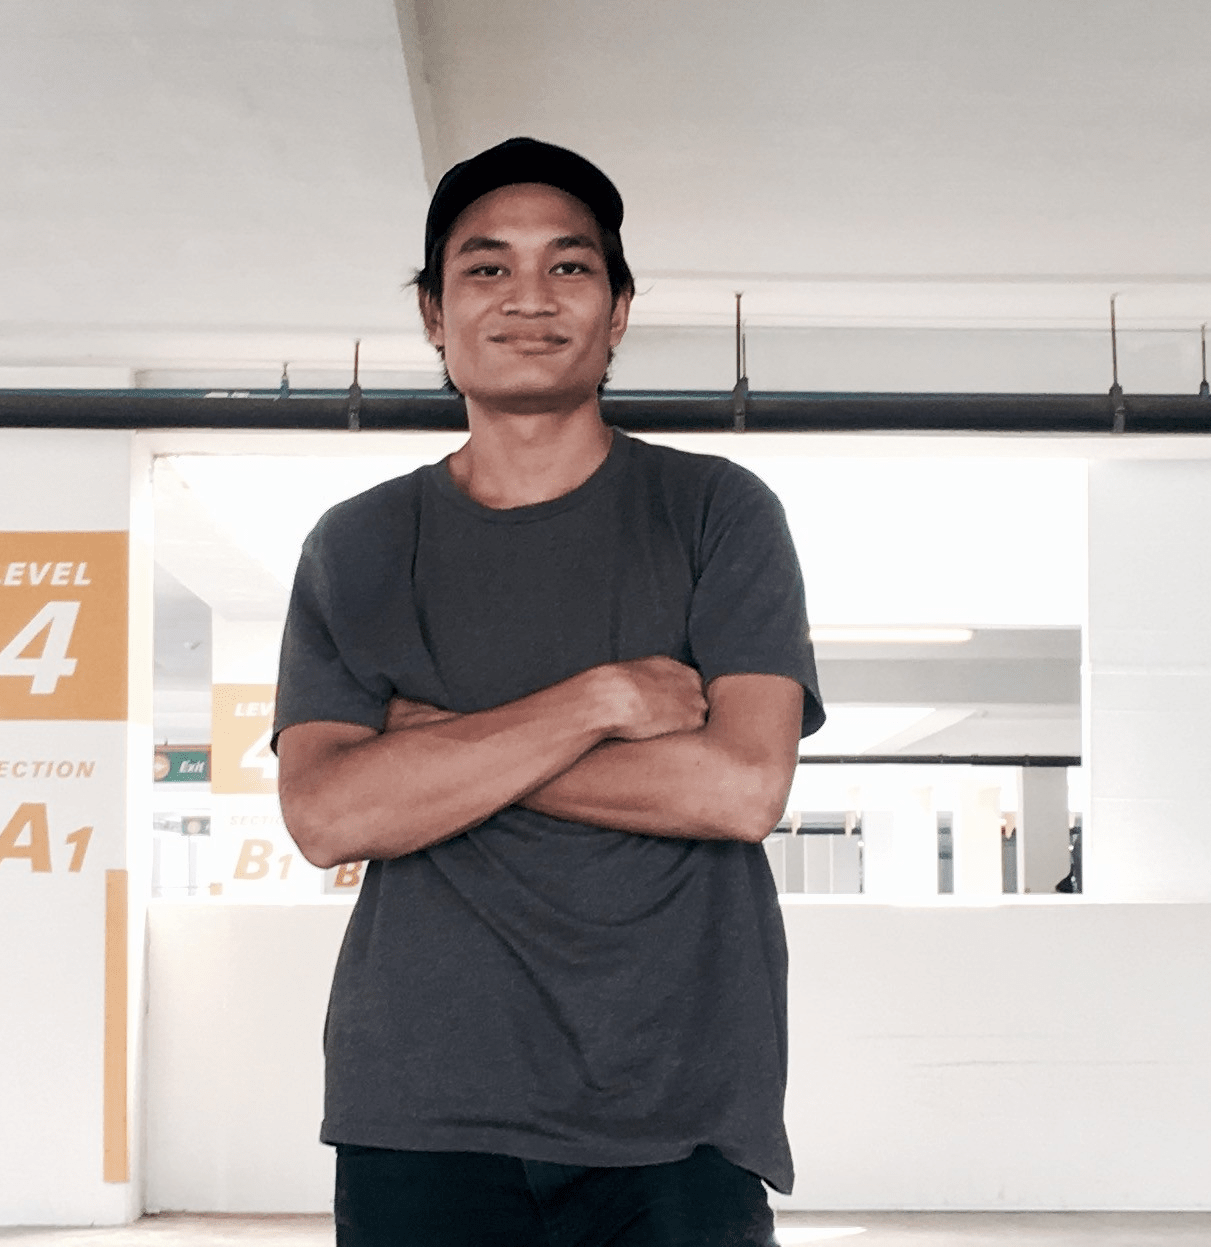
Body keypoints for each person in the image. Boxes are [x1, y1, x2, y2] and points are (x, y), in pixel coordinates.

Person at [273, 136, 825, 1247]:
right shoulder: (359, 543)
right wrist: (593, 702)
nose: (528, 296)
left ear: (617, 312)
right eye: (486, 267)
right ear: (433, 313)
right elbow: (327, 815)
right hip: (422, 1102)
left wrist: (432, 751)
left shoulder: (717, 512)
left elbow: (739, 790)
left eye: (569, 266)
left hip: (675, 1104)